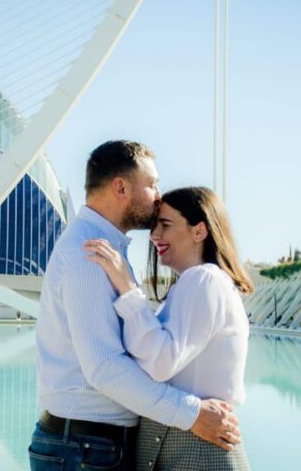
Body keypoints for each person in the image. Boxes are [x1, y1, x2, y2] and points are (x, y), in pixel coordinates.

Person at [30, 141, 240, 471]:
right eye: (152, 184)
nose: (158, 196)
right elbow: (105, 367)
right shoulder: (89, 255)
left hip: (89, 445)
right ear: (121, 187)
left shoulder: (108, 251)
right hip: (86, 447)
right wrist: (192, 414)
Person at [84, 186, 253, 470]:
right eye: (154, 226)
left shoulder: (203, 280)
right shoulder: (194, 283)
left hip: (196, 444)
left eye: (165, 225)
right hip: (183, 439)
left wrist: (127, 289)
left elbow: (161, 363)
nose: (154, 236)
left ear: (199, 231)